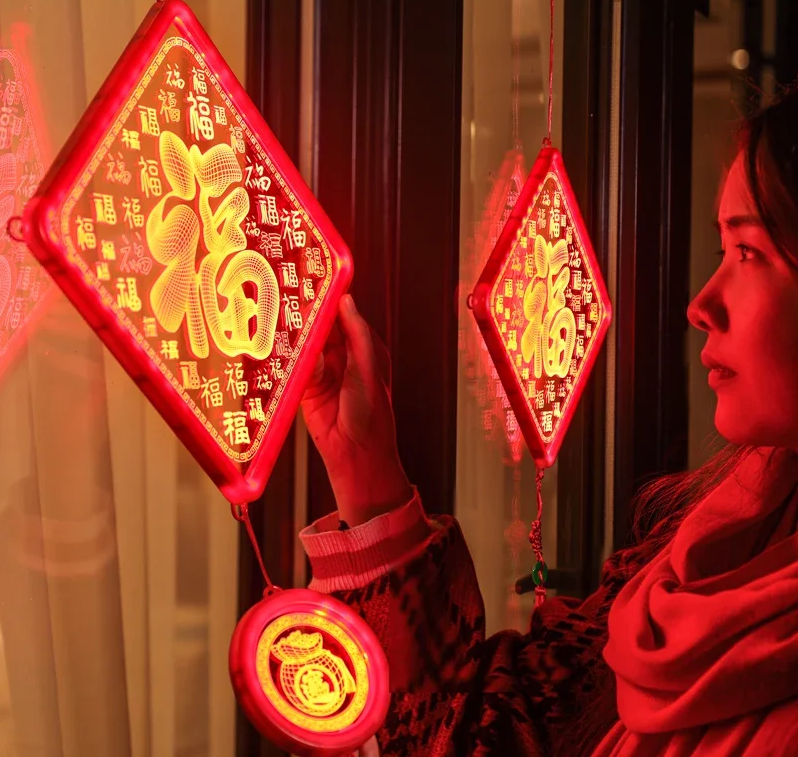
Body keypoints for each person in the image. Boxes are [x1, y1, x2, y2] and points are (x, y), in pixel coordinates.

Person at [298, 89, 798, 756]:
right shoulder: (688, 564)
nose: (702, 306)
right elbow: (488, 730)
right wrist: (365, 465)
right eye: (720, 253)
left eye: (749, 253)